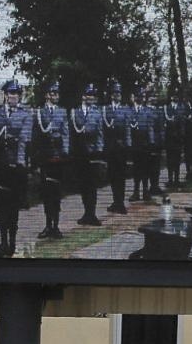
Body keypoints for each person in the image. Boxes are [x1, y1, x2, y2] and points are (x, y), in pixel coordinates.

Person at [0, 79, 32, 257]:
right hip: (0, 165)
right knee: (2, 206)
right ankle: (2, 242)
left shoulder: (26, 114)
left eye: (16, 94)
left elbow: (24, 140)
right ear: (5, 95)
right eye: (10, 93)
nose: (13, 97)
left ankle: (12, 242)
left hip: (16, 166)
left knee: (13, 207)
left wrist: (20, 163)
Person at [32, 82, 70, 238]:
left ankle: (56, 226)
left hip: (58, 155)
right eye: (52, 93)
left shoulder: (62, 112)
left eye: (57, 93)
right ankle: (48, 225)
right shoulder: (40, 113)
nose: (55, 96)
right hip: (45, 155)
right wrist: (35, 157)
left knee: (57, 192)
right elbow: (35, 135)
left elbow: (65, 132)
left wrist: (65, 151)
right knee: (46, 192)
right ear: (47, 95)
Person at [70, 83, 106, 226]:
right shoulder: (75, 112)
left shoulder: (97, 113)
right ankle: (86, 213)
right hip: (80, 152)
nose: (91, 98)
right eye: (88, 95)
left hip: (93, 153)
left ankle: (92, 213)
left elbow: (100, 133)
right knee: (83, 184)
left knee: (92, 184)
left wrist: (100, 151)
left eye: (93, 95)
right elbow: (72, 133)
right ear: (83, 96)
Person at [102, 80, 131, 214]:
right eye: (115, 93)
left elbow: (128, 129)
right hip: (110, 146)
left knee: (121, 175)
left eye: (119, 93)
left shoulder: (125, 109)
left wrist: (127, 144)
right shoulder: (105, 109)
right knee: (112, 175)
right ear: (111, 95)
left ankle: (121, 202)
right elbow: (103, 129)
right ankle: (115, 201)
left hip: (121, 146)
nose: (117, 95)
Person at [129, 85, 160, 202]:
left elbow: (150, 127)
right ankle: (136, 191)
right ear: (135, 97)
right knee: (136, 168)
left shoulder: (147, 111)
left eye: (142, 96)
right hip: (134, 143)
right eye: (139, 96)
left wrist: (152, 142)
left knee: (146, 168)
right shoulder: (130, 110)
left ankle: (146, 191)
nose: (141, 98)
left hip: (145, 143)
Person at [162, 88, 186, 190]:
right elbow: (164, 123)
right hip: (169, 138)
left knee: (177, 159)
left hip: (178, 138)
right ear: (171, 97)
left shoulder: (181, 108)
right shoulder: (166, 108)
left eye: (176, 95)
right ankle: (170, 179)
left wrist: (181, 135)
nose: (175, 97)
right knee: (169, 159)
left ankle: (176, 179)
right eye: (173, 95)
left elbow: (183, 124)